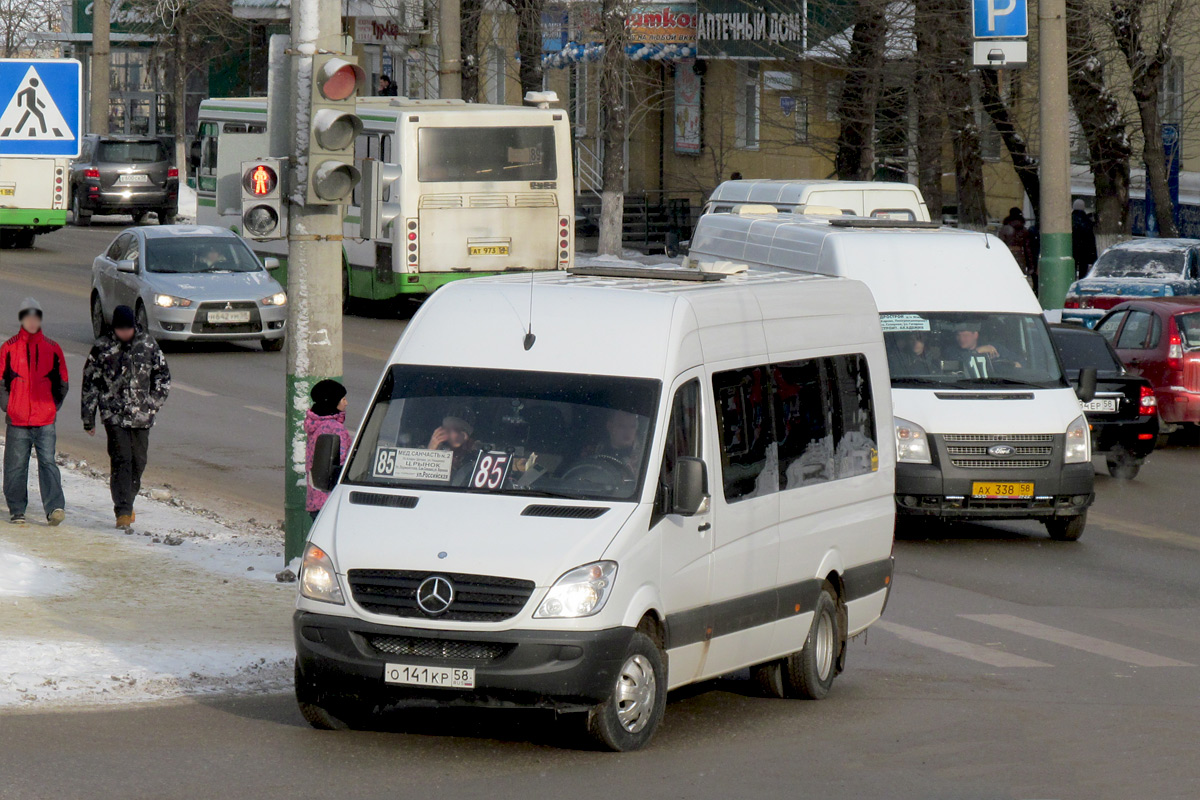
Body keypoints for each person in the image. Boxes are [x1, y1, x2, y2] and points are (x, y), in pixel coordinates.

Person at [81, 305, 171, 529]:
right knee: (122, 459)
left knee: (138, 461)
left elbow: (163, 376)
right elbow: (90, 383)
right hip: (113, 415)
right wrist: (88, 417)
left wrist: (152, 404)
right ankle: (122, 510)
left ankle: (128, 502)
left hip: (142, 416)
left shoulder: (148, 345)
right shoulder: (102, 347)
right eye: (121, 330)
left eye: (128, 329)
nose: (125, 334)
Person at [1, 298, 68, 526]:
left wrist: (50, 406)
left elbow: (62, 383)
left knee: (48, 463)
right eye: (27, 317)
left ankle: (55, 508)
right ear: (22, 319)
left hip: (44, 420)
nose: (32, 321)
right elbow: (0, 383)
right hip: (18, 420)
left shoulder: (52, 348)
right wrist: (10, 407)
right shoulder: (8, 348)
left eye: (35, 317)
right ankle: (17, 509)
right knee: (15, 465)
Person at [305, 380, 352, 521]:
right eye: (343, 399)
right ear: (332, 401)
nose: (346, 403)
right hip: (331, 499)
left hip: (316, 498)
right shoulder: (334, 428)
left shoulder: (316, 424)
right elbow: (342, 463)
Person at [584, 409, 642, 474]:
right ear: (610, 426)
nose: (628, 431)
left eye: (632, 426)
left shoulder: (643, 458)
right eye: (622, 426)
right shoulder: (593, 452)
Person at [427, 407, 480, 474]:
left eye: (457, 430)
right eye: (446, 428)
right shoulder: (436, 448)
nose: (451, 433)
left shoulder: (475, 454)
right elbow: (420, 473)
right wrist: (430, 451)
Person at [998, 208, 1035, 279]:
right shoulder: (1024, 230)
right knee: (1019, 277)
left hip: (1006, 255)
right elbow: (1028, 250)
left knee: (1006, 277)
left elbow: (999, 245)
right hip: (1020, 257)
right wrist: (1030, 266)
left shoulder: (1005, 229)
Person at [1072, 198, 1098, 280]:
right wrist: (1093, 255)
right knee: (1083, 270)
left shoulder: (1069, 220)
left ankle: (1071, 283)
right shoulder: (1087, 221)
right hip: (1084, 251)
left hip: (1072, 250)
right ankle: (1080, 283)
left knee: (1072, 268)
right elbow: (1090, 238)